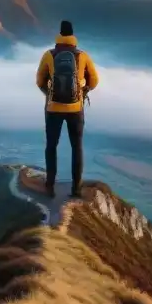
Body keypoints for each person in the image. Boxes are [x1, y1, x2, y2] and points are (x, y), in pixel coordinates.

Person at [35, 20, 99, 198]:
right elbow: (94, 81)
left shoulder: (49, 55)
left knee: (51, 146)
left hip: (53, 109)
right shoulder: (83, 56)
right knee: (76, 147)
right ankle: (76, 188)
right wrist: (82, 90)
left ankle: (49, 187)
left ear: (59, 35)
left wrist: (48, 94)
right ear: (73, 35)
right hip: (75, 109)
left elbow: (39, 80)